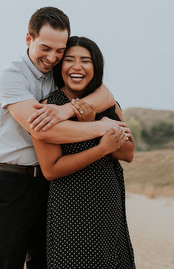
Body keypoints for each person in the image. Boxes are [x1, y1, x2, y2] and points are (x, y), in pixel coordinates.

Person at [0, 7, 128, 269]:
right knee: (9, 261)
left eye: (59, 50)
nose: (52, 57)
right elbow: (43, 130)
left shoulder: (56, 71)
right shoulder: (10, 76)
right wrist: (102, 129)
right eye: (45, 48)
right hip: (12, 179)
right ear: (29, 39)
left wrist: (66, 109)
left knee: (46, 261)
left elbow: (105, 93)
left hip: (53, 186)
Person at [32, 36, 136, 269]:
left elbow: (128, 152)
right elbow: (51, 170)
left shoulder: (108, 105)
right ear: (60, 66)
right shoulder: (48, 107)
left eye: (85, 61)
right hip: (69, 207)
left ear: (95, 67)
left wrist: (96, 125)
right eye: (69, 60)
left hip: (107, 201)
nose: (77, 66)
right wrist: (101, 146)